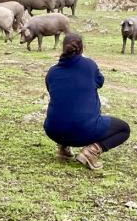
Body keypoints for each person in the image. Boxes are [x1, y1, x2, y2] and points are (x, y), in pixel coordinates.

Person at [43, 33, 130, 170]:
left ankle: (63, 148)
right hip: (84, 131)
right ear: (82, 48)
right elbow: (100, 82)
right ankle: (92, 151)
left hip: (53, 130)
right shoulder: (89, 65)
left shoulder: (52, 72)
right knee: (124, 129)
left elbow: (53, 92)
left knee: (66, 106)